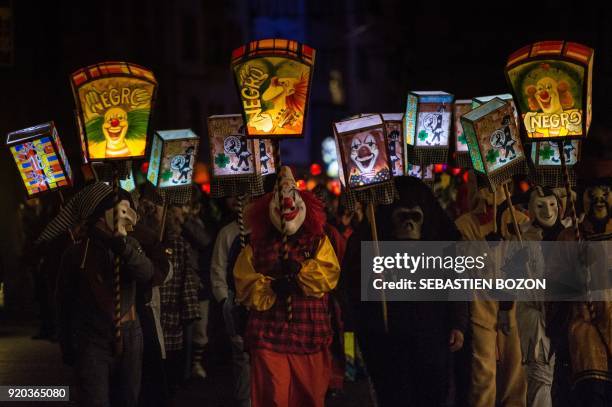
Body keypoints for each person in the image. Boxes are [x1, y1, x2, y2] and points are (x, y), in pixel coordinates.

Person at [344, 176, 468, 406]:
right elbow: (351, 293)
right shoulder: (369, 240)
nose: (409, 225)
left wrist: (458, 325)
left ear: (425, 219)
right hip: (387, 336)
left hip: (431, 336)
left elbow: (457, 284)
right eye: (403, 217)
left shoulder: (442, 240)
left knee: (432, 395)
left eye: (414, 217)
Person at [234, 166, 340, 407]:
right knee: (274, 398)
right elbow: (243, 282)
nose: (287, 200)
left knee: (310, 398)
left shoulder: (317, 241)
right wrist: (271, 287)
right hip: (268, 335)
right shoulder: (256, 245)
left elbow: (329, 274)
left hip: (309, 335)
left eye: (293, 192)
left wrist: (301, 272)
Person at [55, 182, 154, 407]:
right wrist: (66, 343)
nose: (128, 215)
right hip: (91, 336)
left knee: (128, 399)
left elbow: (146, 272)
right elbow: (63, 301)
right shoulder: (78, 253)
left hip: (129, 333)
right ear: (101, 216)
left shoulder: (131, 245)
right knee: (95, 399)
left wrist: (124, 248)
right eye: (121, 209)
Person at [455, 184, 528, 407]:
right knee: (483, 375)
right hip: (481, 307)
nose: (488, 195)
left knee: (516, 374)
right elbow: (459, 265)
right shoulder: (463, 225)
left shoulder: (519, 221)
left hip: (514, 309)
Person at [210, 195, 251, 407]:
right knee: (243, 358)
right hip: (236, 305)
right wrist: (226, 302)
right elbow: (218, 271)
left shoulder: (267, 230)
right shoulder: (228, 233)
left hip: (264, 304)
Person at [159, 205, 200, 394]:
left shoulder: (179, 244)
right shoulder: (141, 242)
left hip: (172, 314)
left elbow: (187, 278)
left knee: (172, 365)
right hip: (150, 316)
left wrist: (189, 311)